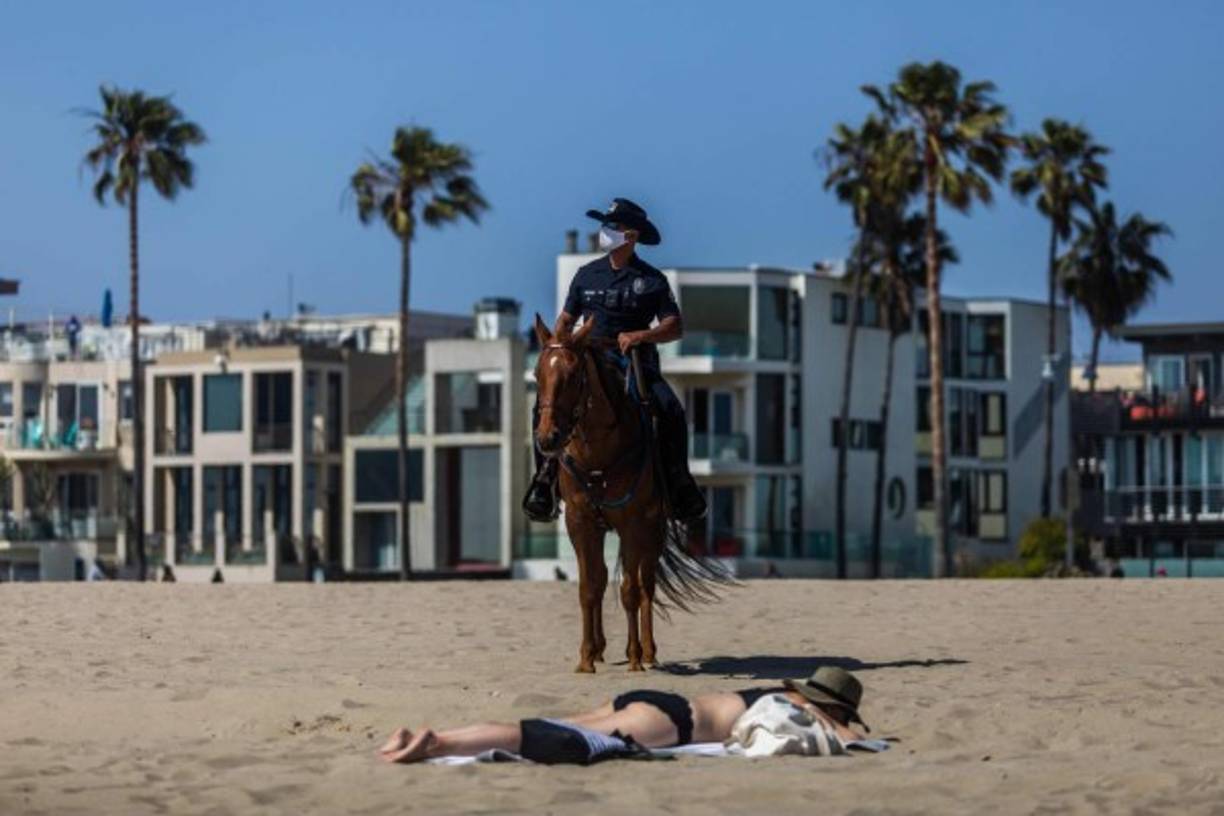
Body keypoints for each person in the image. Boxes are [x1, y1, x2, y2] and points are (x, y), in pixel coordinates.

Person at [522, 197, 707, 524]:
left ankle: (680, 484)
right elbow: (566, 319)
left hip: (633, 361)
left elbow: (674, 326)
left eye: (613, 227)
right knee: (546, 405)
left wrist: (641, 336)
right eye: (605, 225)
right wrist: (559, 341)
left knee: (671, 410)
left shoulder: (652, 280)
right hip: (587, 356)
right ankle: (545, 480)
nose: (605, 232)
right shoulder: (586, 275)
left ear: (632, 236)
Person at [380, 666, 869, 764]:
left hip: (655, 700)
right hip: (673, 723)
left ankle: (440, 736)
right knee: (545, 740)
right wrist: (852, 725)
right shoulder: (802, 707)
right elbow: (841, 735)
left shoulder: (768, 693)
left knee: (546, 725)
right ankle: (436, 743)